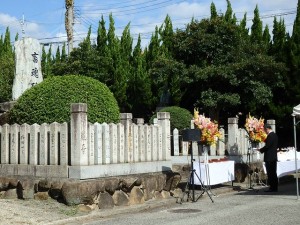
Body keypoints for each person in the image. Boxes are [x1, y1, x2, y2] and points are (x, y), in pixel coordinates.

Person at [259, 124, 278, 192]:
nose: (265, 131)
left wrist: (260, 150)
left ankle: (272, 187)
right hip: (273, 156)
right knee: (273, 173)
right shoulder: (275, 135)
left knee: (270, 173)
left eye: (265, 130)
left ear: (267, 129)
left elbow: (267, 146)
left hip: (270, 157)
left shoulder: (270, 136)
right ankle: (275, 187)